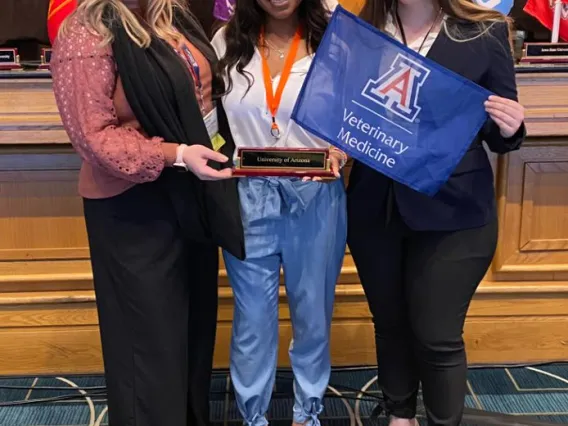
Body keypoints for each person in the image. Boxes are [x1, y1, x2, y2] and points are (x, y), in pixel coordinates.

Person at [50, 0, 245, 425]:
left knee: (191, 334)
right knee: (149, 347)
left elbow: (205, 98)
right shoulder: (85, 33)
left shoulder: (172, 17)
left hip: (190, 193)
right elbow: (93, 137)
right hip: (131, 206)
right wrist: (175, 153)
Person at [346, 0, 526, 425]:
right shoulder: (361, 32)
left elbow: (500, 135)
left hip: (454, 211)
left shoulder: (483, 32)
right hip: (376, 207)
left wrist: (511, 126)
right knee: (389, 325)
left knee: (436, 335)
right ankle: (400, 416)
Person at [211, 0, 347, 424]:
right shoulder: (226, 41)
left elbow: (357, 121)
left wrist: (343, 154)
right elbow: (211, 122)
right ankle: (254, 416)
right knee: (252, 319)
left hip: (316, 196)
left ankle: (309, 413)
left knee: (312, 313)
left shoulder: (335, 43)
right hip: (248, 197)